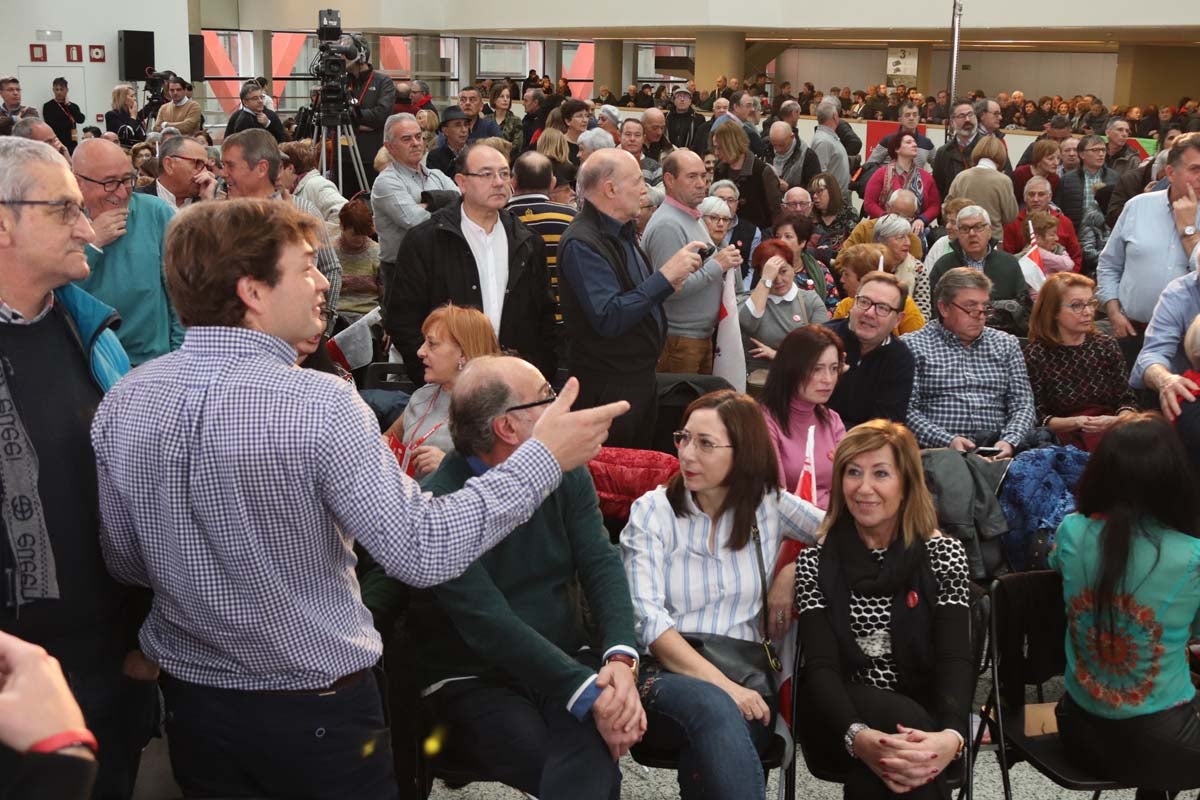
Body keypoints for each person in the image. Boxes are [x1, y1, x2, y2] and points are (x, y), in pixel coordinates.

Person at [91, 197, 629, 799]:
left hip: (197, 705)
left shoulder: (125, 400)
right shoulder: (320, 404)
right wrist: (542, 459)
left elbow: (125, 560)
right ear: (252, 291)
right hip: (317, 714)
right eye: (304, 268)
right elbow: (422, 551)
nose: (325, 281)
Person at [368, 355, 644, 799]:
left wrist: (620, 662)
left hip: (564, 659)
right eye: (546, 399)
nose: (559, 410)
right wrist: (590, 693)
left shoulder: (566, 472)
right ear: (507, 428)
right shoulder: (442, 504)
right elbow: (488, 624)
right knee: (559, 760)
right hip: (471, 677)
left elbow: (601, 561)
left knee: (590, 756)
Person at [0, 137, 157, 800]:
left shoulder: (93, 334)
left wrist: (149, 629)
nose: (87, 227)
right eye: (63, 209)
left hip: (105, 662)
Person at [621, 390, 823, 800]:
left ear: (743, 452)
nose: (688, 454)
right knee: (716, 709)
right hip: (665, 676)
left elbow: (845, 534)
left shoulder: (768, 504)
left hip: (748, 675)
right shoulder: (653, 511)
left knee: (716, 742)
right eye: (683, 438)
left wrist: (794, 568)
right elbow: (649, 622)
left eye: (705, 444)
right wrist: (725, 688)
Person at [795, 420, 973, 800]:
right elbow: (822, 668)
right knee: (906, 740)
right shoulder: (815, 562)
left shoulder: (943, 555)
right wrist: (859, 738)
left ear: (907, 483)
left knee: (885, 768)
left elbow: (955, 657)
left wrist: (951, 736)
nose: (864, 488)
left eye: (881, 474)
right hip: (837, 716)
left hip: (923, 718)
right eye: (853, 473)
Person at [1051, 414, 1200, 797]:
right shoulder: (1192, 556)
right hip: (1163, 743)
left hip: (1077, 732)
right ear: (1174, 479)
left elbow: (1059, 564)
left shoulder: (1071, 531)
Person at [557, 148, 704, 447]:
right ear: (610, 189)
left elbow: (634, 296)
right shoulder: (583, 242)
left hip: (637, 380)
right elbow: (609, 316)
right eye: (637, 181)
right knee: (615, 476)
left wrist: (666, 282)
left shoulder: (622, 232)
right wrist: (664, 277)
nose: (645, 190)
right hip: (609, 388)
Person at [387, 143, 557, 386]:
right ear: (462, 182)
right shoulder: (427, 239)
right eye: (487, 174)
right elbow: (402, 317)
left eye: (504, 173)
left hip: (514, 385)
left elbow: (544, 317)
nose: (499, 182)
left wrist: (537, 373)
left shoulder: (527, 241)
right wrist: (434, 374)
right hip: (448, 386)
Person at [70, 138, 183, 366]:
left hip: (154, 365)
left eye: (127, 179)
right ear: (77, 183)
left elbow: (182, 294)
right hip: (89, 367)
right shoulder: (61, 223)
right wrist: (92, 245)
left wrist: (179, 360)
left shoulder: (155, 213)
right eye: (110, 183)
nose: (122, 193)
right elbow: (59, 298)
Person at [903, 268, 1036, 456]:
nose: (980, 315)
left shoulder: (1006, 344)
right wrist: (948, 441)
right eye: (971, 307)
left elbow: (1023, 404)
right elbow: (907, 411)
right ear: (944, 308)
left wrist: (1010, 440)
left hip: (999, 451)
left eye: (985, 307)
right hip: (938, 454)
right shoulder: (912, 345)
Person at [1099, 133, 1200, 370]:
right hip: (1131, 331)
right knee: (1129, 404)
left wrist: (1188, 230)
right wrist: (1113, 311)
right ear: (1170, 173)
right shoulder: (1138, 206)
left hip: (1190, 345)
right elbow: (1109, 264)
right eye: (1195, 169)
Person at [642, 150, 743, 374]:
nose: (701, 183)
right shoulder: (667, 225)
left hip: (698, 337)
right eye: (691, 177)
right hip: (678, 340)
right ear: (669, 180)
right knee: (680, 408)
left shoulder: (691, 216)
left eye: (704, 175)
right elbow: (671, 288)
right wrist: (718, 264)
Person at [221, 128, 343, 311]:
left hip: (297, 331)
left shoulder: (304, 210)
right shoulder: (222, 217)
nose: (223, 173)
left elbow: (331, 269)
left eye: (230, 166)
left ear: (262, 168)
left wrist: (324, 323)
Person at [380, 304, 501, 478]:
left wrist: (450, 467)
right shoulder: (423, 395)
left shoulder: (497, 408)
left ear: (464, 354)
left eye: (432, 344)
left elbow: (511, 479)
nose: (420, 351)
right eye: (424, 342)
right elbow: (388, 439)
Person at [1022, 272, 1136, 450]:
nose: (1088, 312)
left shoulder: (1105, 345)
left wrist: (1115, 420)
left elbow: (1127, 401)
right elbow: (1037, 417)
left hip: (1112, 430)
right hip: (1062, 437)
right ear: (1053, 311)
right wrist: (1076, 422)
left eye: (1091, 303)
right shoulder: (1036, 354)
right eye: (1077, 305)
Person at [372, 112, 460, 308]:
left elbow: (464, 206)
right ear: (389, 147)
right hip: (402, 273)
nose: (416, 143)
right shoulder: (386, 182)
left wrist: (428, 204)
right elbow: (415, 221)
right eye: (406, 139)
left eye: (418, 136)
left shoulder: (437, 175)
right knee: (409, 336)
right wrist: (445, 202)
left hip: (441, 269)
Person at [760, 325, 847, 505]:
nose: (828, 379)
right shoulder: (763, 420)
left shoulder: (832, 420)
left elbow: (849, 484)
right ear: (791, 369)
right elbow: (778, 502)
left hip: (834, 522)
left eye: (833, 368)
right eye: (817, 369)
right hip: (791, 526)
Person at [826, 271, 916, 428]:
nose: (869, 313)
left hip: (865, 446)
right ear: (852, 304)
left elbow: (886, 426)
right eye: (864, 302)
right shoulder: (822, 341)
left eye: (882, 308)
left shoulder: (900, 358)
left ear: (898, 320)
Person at [739, 239, 829, 371]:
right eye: (772, 274)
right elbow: (747, 323)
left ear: (793, 268)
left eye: (783, 271)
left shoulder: (810, 300)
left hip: (799, 378)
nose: (778, 280)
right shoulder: (746, 300)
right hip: (759, 382)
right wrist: (766, 280)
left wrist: (777, 356)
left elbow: (821, 349)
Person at [929, 206, 1028, 307]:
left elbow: (1024, 305)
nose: (972, 234)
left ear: (989, 231)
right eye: (965, 229)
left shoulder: (1008, 263)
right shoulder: (944, 266)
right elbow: (934, 307)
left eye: (978, 227)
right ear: (958, 234)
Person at [834, 245, 926, 335]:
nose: (841, 280)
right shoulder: (844, 306)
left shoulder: (904, 305)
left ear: (864, 277)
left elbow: (917, 345)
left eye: (846, 274)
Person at [1001, 176, 1083, 271]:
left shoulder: (1065, 222)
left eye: (1041, 194)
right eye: (1031, 194)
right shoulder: (1012, 223)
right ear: (1024, 197)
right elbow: (1007, 259)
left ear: (1050, 197)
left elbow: (1076, 257)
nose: (1036, 199)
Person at [945, 135, 1018, 240]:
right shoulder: (1003, 181)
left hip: (964, 238)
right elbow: (1010, 216)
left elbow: (947, 207)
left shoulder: (961, 177)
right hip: (992, 239)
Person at [863, 133, 941, 232]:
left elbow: (935, 205)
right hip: (884, 227)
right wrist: (886, 218)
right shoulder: (881, 173)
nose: (914, 145)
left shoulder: (925, 177)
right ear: (897, 149)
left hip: (914, 229)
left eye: (914, 142)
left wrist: (922, 219)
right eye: (908, 142)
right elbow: (869, 203)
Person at [133, 133, 218, 210]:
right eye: (198, 163)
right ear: (169, 165)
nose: (205, 171)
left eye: (207, 166)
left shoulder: (206, 203)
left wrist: (208, 201)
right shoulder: (135, 202)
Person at [1055, 133, 1119, 233]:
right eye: (1095, 150)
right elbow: (1060, 210)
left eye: (1103, 150)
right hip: (1076, 233)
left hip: (1106, 233)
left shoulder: (1115, 178)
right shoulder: (1067, 179)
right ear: (1082, 154)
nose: (1101, 154)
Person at [874, 212, 933, 320]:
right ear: (882, 241)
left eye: (908, 237)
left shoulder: (918, 269)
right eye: (900, 237)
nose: (908, 243)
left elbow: (923, 313)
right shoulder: (868, 263)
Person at [333, 199, 382, 319]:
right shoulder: (329, 253)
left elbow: (385, 295)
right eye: (355, 234)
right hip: (337, 317)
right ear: (342, 227)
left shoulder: (377, 253)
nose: (360, 239)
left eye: (364, 234)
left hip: (368, 317)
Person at [279, 139, 347, 224]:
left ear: (290, 168)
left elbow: (343, 215)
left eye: (279, 168)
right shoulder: (292, 189)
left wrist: (318, 233)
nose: (275, 174)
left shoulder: (317, 184)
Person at [931, 99, 982, 199]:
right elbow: (938, 190)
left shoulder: (990, 147)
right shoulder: (943, 152)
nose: (967, 119)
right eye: (961, 116)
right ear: (952, 122)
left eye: (970, 114)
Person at [709, 179, 762, 267]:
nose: (725, 204)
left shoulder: (753, 231)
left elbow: (752, 267)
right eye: (720, 199)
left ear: (737, 204)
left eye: (730, 200)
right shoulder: (701, 225)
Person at [811, 99, 851, 196]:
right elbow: (820, 175)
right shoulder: (824, 141)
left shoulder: (829, 138)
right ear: (834, 116)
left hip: (839, 197)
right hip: (833, 200)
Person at [769, 120, 821, 192]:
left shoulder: (808, 156)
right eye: (774, 145)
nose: (778, 150)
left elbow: (815, 187)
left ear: (792, 137)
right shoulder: (767, 150)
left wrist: (789, 188)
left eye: (781, 145)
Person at [1011, 139, 1062, 206]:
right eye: (1050, 159)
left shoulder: (1055, 178)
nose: (1056, 163)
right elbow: (1012, 202)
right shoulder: (1020, 173)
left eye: (1058, 158)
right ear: (1038, 159)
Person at [41, 77, 83, 155]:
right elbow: (51, 125)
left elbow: (81, 119)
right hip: (56, 143)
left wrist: (69, 105)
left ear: (67, 90)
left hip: (72, 142)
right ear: (53, 90)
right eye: (57, 89)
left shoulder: (72, 105)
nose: (59, 92)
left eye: (61, 89)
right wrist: (69, 123)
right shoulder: (48, 106)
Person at [427, 106, 472, 178]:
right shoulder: (435, 157)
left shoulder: (474, 152)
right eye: (457, 125)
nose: (464, 130)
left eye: (466, 125)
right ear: (445, 130)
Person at [619, 118, 663, 187]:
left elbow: (661, 194)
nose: (632, 139)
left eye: (637, 135)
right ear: (620, 136)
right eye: (628, 134)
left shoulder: (654, 167)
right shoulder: (610, 164)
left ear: (643, 139)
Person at [667, 86, 706, 152]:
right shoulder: (666, 117)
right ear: (674, 100)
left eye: (685, 97)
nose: (682, 99)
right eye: (679, 96)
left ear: (690, 101)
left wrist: (690, 149)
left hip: (690, 155)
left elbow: (701, 141)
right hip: (668, 154)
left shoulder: (699, 119)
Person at [487, 83, 523, 151]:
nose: (505, 99)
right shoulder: (486, 120)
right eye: (502, 96)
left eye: (508, 97)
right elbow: (482, 143)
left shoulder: (515, 120)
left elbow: (517, 146)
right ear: (494, 99)